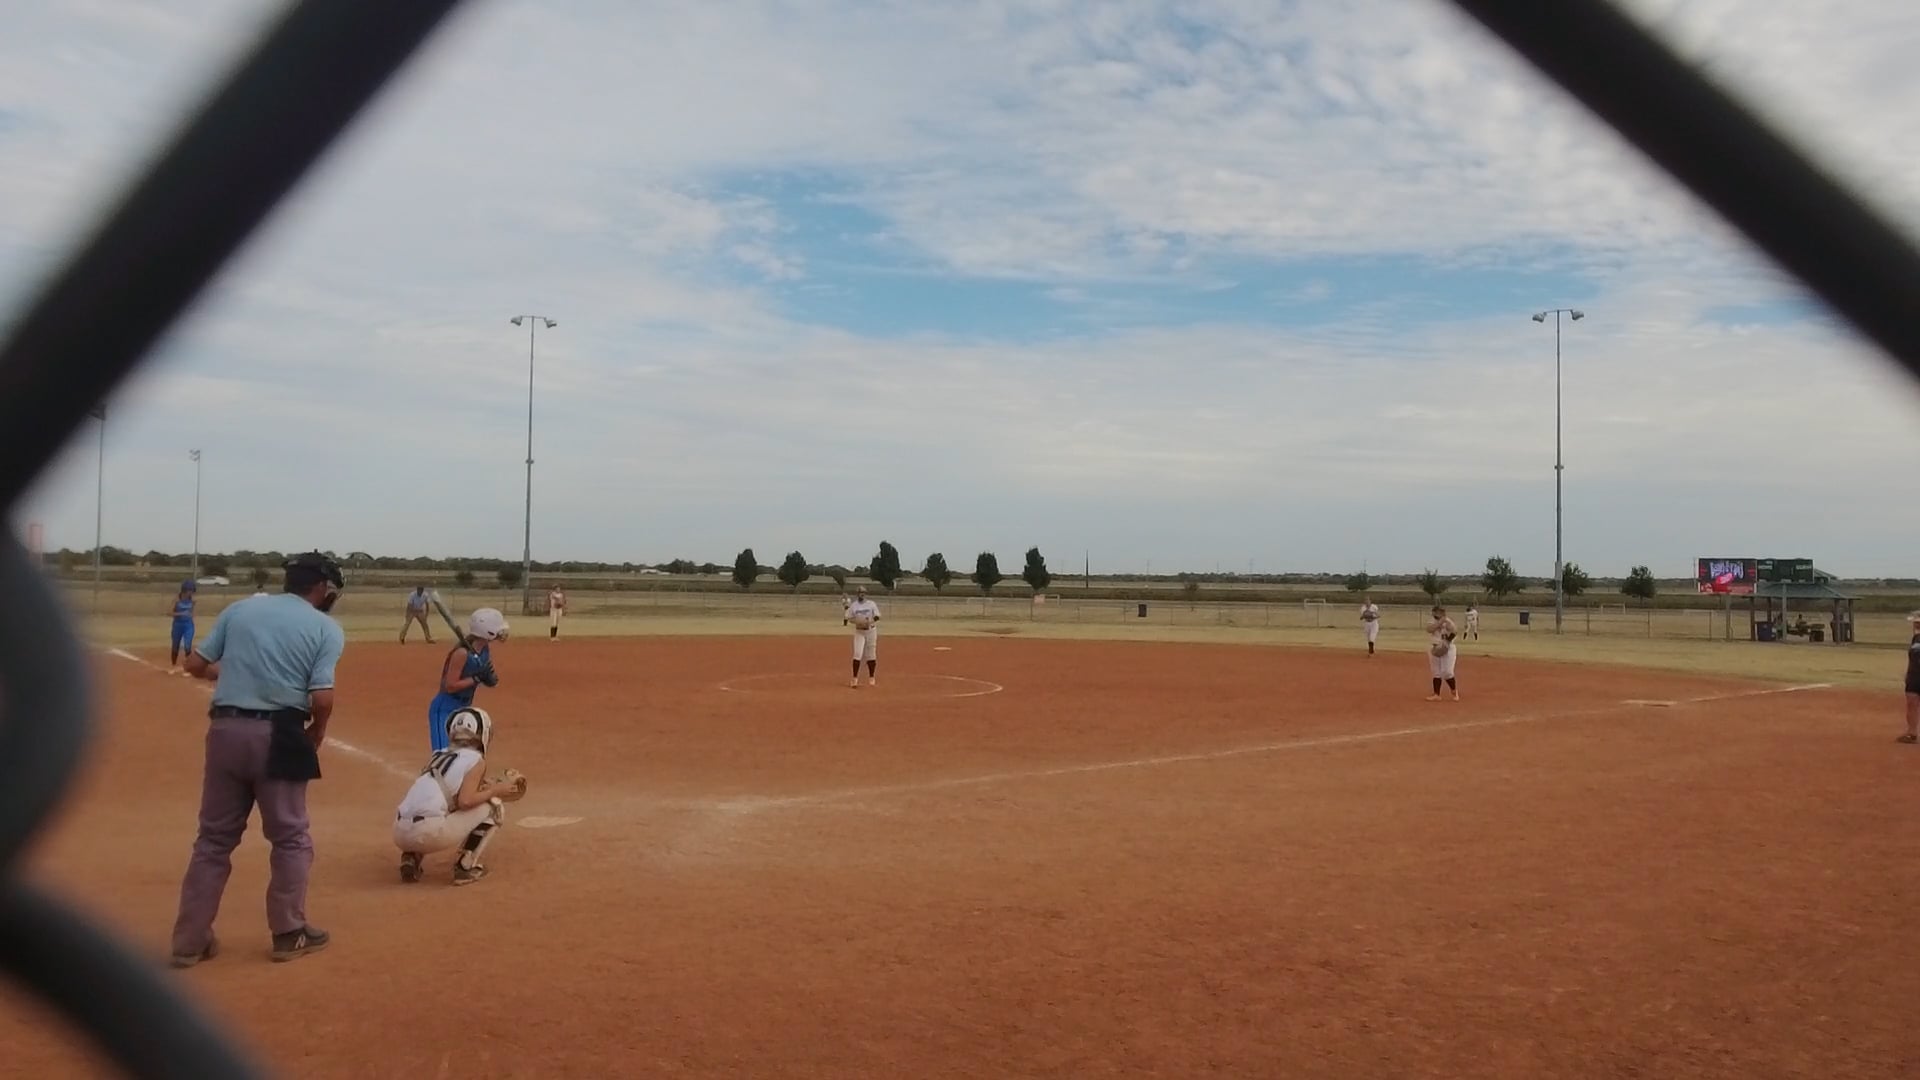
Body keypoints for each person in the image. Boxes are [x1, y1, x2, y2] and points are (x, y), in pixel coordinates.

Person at [170, 551, 346, 967]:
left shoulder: (241, 609)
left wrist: (236, 673)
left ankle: (189, 940)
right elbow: (322, 698)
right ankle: (288, 931)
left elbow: (196, 664)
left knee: (213, 840)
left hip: (225, 730)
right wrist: (318, 732)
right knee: (290, 837)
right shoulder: (325, 628)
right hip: (280, 733)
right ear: (321, 588)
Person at [394, 706, 523, 886]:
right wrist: (495, 790)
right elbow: (466, 801)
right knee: (493, 806)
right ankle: (465, 866)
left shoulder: (438, 756)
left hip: (399, 832)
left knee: (435, 806)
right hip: (427, 833)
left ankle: (411, 856)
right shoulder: (476, 760)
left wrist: (486, 786)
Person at [425, 608, 508, 752]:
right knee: (443, 754)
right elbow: (450, 686)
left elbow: (482, 674)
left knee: (462, 754)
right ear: (487, 630)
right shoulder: (461, 653)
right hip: (445, 708)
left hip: (464, 708)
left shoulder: (484, 650)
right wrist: (476, 679)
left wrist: (488, 679)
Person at [844, 585, 881, 688]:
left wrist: (870, 621)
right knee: (857, 653)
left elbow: (877, 616)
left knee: (871, 654)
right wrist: (857, 622)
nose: (862, 594)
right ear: (857, 594)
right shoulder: (854, 606)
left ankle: (871, 677)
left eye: (863, 593)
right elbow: (849, 618)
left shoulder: (871, 604)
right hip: (859, 631)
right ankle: (854, 679)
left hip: (871, 631)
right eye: (860, 593)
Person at [1426, 604, 1460, 702]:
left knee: (1447, 672)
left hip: (1448, 648)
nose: (1440, 613)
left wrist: (1447, 641)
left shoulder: (1448, 621)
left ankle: (1454, 691)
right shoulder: (1431, 621)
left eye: (1442, 612)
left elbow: (1454, 631)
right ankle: (1436, 694)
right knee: (1436, 672)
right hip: (1435, 647)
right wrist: (1440, 622)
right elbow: (1429, 629)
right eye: (1438, 611)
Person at [167, 579, 198, 673]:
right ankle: (173, 665)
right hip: (178, 625)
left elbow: (191, 612)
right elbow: (169, 612)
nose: (191, 593)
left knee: (187, 646)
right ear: (184, 590)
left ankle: (188, 667)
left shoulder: (192, 600)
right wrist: (181, 613)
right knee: (175, 645)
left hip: (188, 625)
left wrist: (191, 614)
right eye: (190, 590)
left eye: (192, 591)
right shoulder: (176, 600)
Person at [1901, 612, 1920, 744]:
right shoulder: (1915, 639)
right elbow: (1912, 658)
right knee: (1911, 702)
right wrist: (1908, 673)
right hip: (1914, 676)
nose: (1915, 625)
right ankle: (1912, 733)